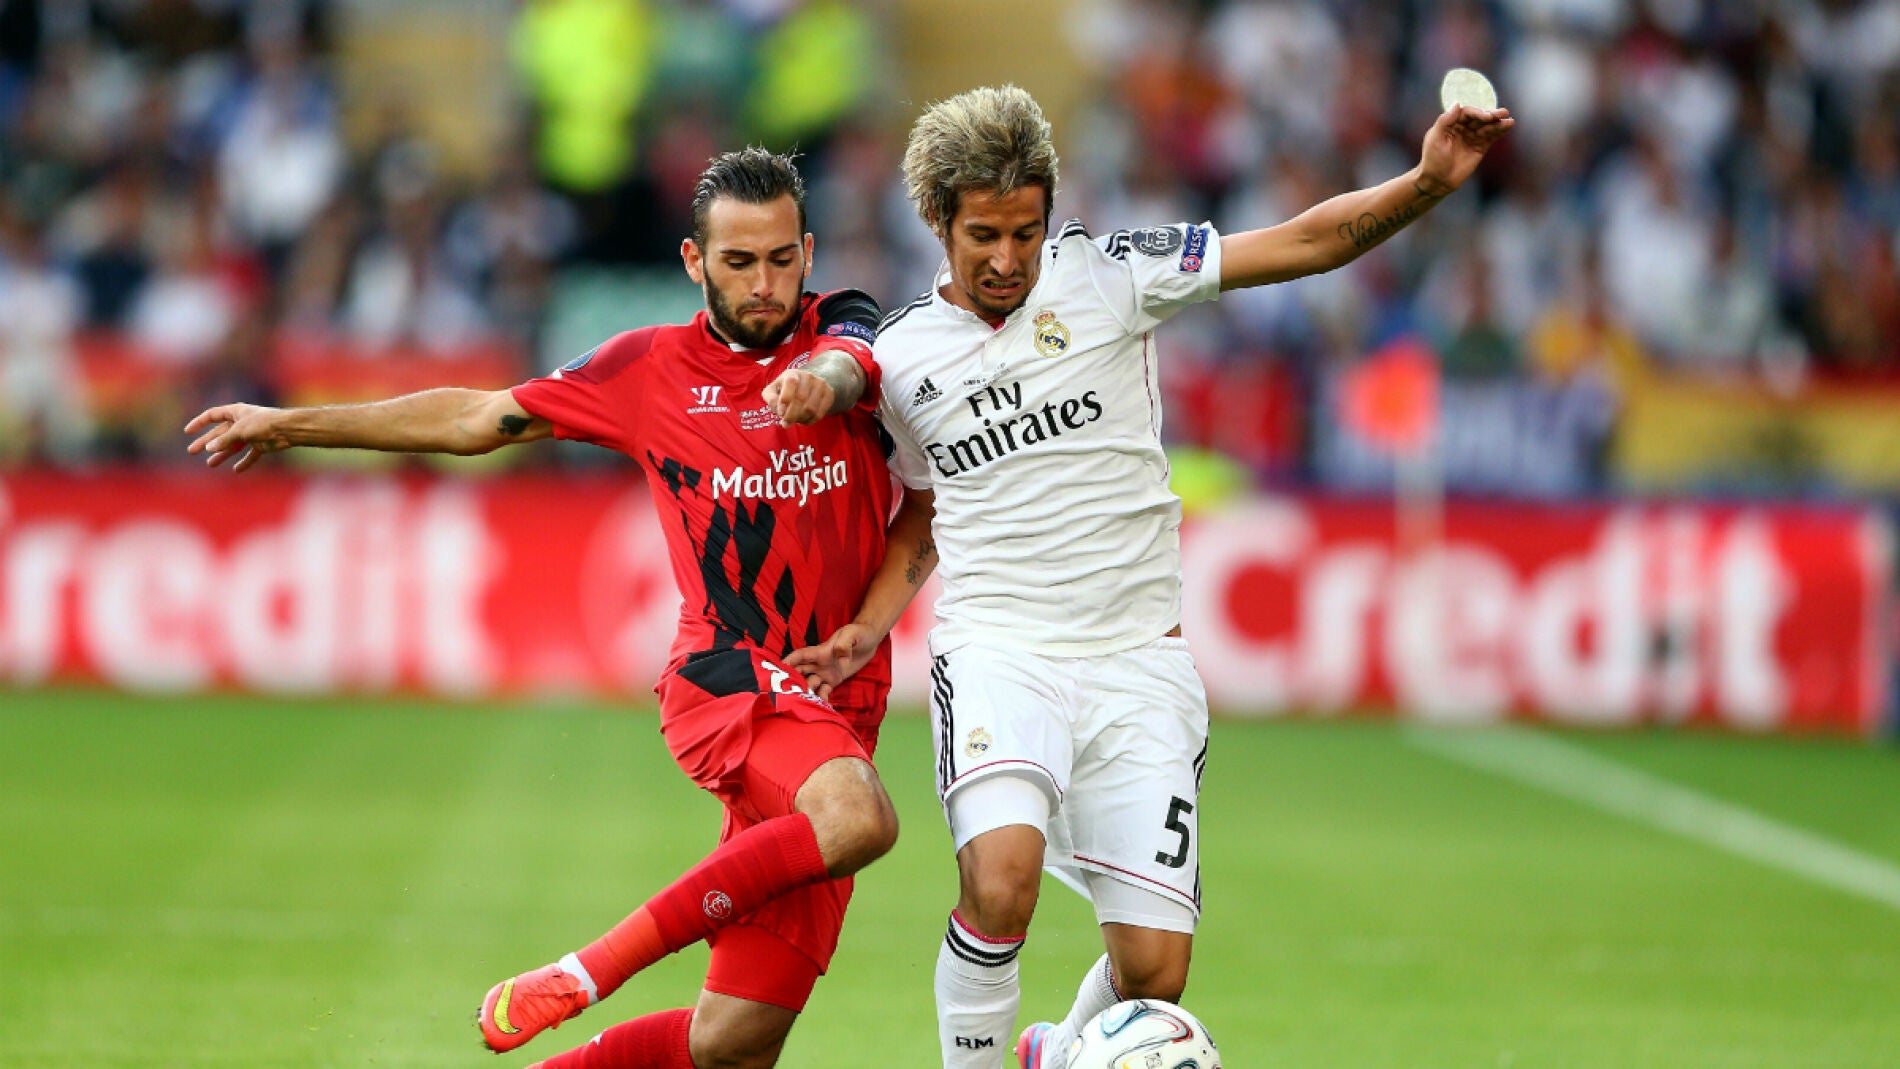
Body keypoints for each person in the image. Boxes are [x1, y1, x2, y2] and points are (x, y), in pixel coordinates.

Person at [785, 84, 1512, 1069]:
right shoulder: (907, 358)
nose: (1007, 260)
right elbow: (924, 509)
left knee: (1153, 974)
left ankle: (1056, 1051)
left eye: (1026, 232)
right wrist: (871, 625)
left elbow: (1302, 243)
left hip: (1139, 661)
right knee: (1000, 883)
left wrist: (1427, 183)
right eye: (983, 235)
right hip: (1003, 649)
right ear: (937, 223)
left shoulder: (1111, 275)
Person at [185, 147, 899, 1069]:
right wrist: (291, 422)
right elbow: (476, 420)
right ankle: (583, 972)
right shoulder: (650, 368)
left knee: (736, 1042)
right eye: (737, 262)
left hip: (837, 704)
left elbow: (865, 371)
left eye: (779, 259)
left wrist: (832, 385)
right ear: (693, 261)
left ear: (808, 250)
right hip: (725, 676)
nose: (762, 283)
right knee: (859, 819)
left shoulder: (859, 342)